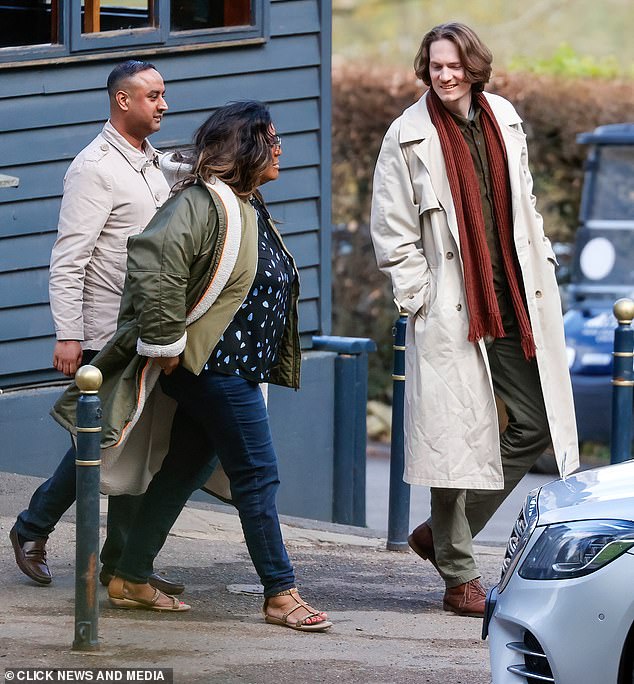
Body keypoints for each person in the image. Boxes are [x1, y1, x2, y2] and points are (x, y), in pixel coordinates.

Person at [51, 101, 332, 630]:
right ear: (245, 147)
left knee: (183, 469)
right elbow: (156, 267)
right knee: (257, 475)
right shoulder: (200, 203)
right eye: (271, 138)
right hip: (214, 370)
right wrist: (165, 346)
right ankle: (280, 593)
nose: (280, 147)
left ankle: (131, 574)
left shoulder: (248, 204)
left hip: (231, 368)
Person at [370, 22, 579, 617]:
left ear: (475, 66)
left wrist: (543, 258)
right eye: (436, 65)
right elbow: (392, 229)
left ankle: (440, 537)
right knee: (454, 435)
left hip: (512, 295)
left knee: (534, 424)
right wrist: (419, 296)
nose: (445, 74)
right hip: (449, 306)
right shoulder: (406, 135)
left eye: (455, 64)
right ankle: (459, 573)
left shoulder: (504, 118)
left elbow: (525, 202)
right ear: (425, 68)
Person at [10, 60, 184, 596]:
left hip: (146, 327)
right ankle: (33, 529)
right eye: (153, 96)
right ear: (122, 102)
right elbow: (69, 259)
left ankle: (122, 564)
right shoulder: (93, 168)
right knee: (103, 442)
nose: (163, 104)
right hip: (105, 333)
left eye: (163, 95)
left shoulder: (154, 164)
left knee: (138, 443)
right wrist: (68, 334)